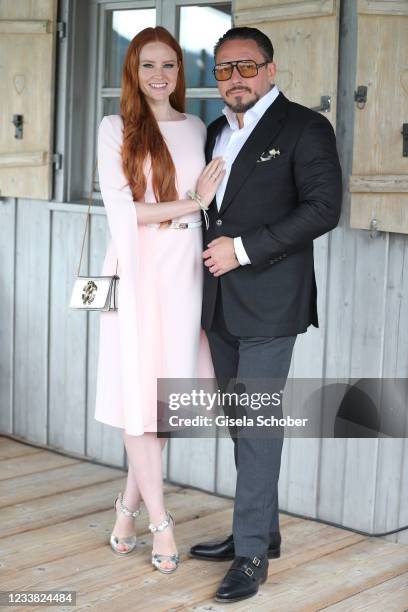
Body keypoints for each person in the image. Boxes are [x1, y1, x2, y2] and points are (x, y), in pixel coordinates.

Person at [189, 27, 342, 602]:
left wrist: (244, 248)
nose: (235, 79)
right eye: (224, 70)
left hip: (273, 303)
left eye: (246, 67)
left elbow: (324, 208)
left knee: (255, 426)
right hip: (219, 303)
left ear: (270, 70)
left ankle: (251, 554)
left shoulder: (304, 127)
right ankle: (263, 531)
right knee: (243, 424)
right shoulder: (213, 133)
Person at [94, 26, 223, 574]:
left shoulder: (197, 127)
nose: (159, 75)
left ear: (179, 72)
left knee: (163, 403)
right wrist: (191, 201)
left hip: (185, 274)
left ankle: (127, 506)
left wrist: (193, 207)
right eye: (148, 65)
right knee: (136, 398)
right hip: (140, 272)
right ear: (133, 69)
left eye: (169, 65)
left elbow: (212, 202)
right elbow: (121, 210)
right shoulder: (115, 127)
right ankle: (160, 522)